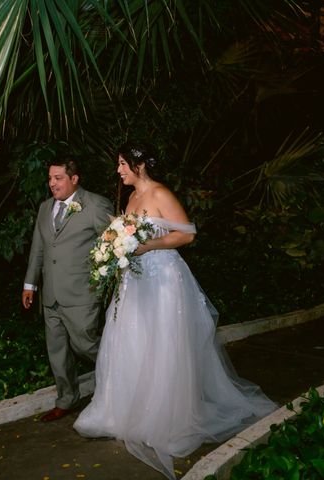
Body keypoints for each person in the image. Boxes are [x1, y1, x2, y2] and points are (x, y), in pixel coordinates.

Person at [73, 142, 277, 479]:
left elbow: (187, 235)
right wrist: (117, 244)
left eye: (123, 164)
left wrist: (147, 244)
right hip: (135, 281)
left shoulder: (159, 193)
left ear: (138, 165)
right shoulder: (132, 198)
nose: (118, 170)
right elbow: (126, 231)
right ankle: (124, 411)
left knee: (163, 344)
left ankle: (165, 416)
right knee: (131, 340)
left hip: (163, 278)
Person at [23, 158, 113, 422]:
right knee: (57, 351)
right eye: (50, 178)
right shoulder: (44, 209)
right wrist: (30, 284)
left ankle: (124, 380)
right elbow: (38, 249)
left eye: (58, 178)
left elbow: (115, 245)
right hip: (50, 295)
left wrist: (104, 281)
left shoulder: (95, 205)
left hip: (81, 293)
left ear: (74, 179)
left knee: (86, 345)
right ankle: (66, 399)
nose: (52, 183)